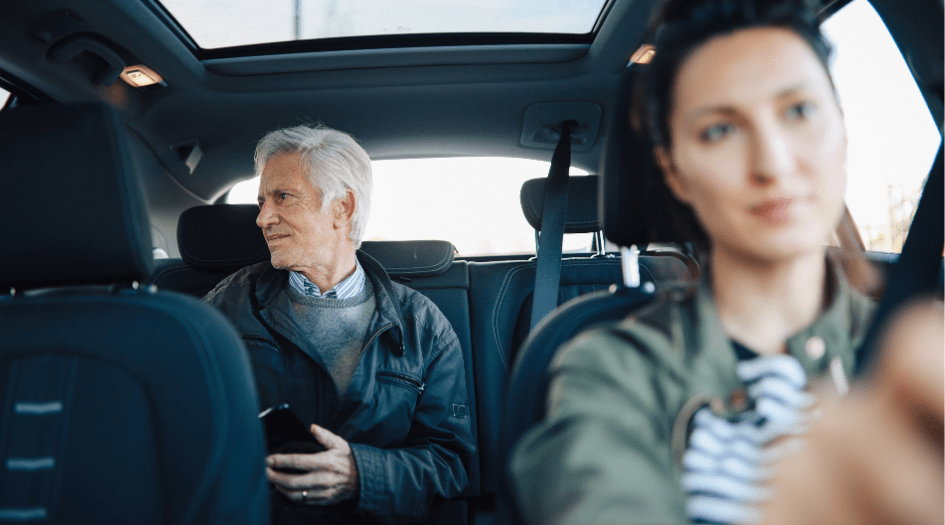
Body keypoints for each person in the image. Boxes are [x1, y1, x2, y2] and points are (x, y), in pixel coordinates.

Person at [510, 0, 884, 523]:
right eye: (719, 130)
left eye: (798, 111)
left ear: (842, 129)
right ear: (675, 171)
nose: (773, 162)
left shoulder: (915, 347)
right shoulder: (610, 371)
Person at [203, 125, 473, 524]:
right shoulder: (227, 304)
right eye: (261, 201)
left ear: (342, 208)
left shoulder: (424, 327)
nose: (262, 218)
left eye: (282, 198)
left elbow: (450, 464)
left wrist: (360, 476)